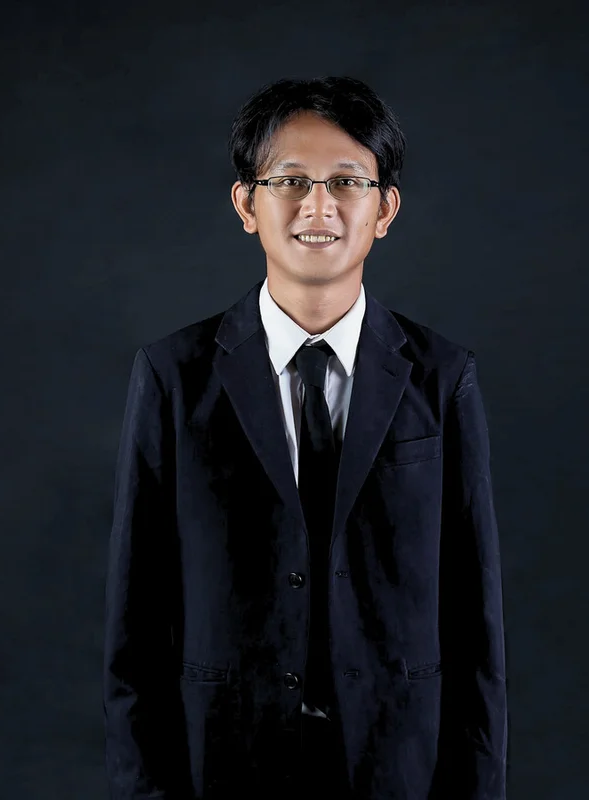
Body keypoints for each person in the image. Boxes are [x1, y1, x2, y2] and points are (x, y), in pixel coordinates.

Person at [102, 76, 508, 799]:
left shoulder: (443, 378)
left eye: (345, 182)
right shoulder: (172, 376)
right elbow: (135, 627)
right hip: (222, 761)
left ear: (383, 209)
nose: (317, 206)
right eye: (289, 180)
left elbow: (474, 628)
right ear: (245, 205)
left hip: (396, 764)